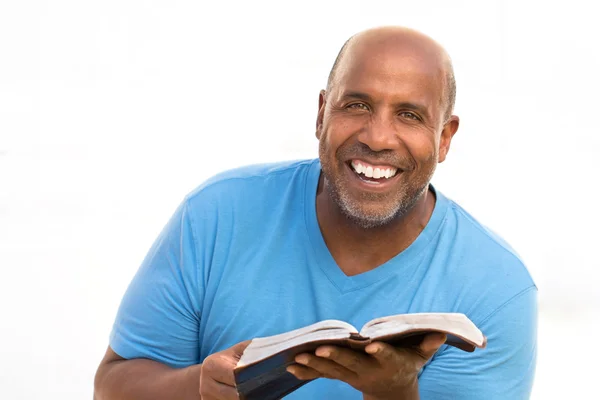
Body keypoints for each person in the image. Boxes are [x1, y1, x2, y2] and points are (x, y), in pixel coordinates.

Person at [94, 26, 537, 399]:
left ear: (445, 137)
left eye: (409, 115)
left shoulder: (496, 289)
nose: (379, 137)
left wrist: (396, 394)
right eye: (357, 105)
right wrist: (201, 388)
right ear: (322, 113)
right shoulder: (215, 215)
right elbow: (112, 386)